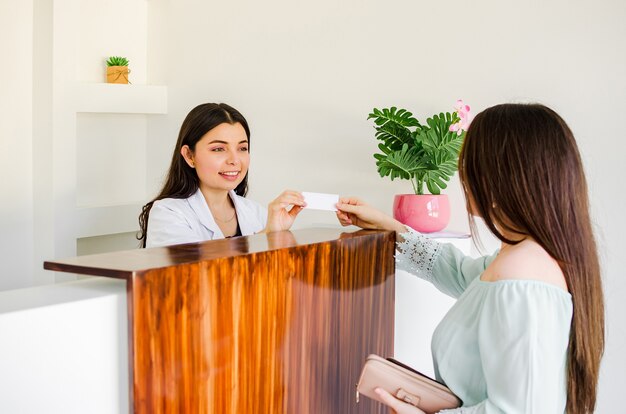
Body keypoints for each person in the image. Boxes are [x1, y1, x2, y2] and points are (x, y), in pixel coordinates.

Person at [336, 103, 604, 413]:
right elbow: (461, 274)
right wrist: (390, 227)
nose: (462, 175)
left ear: (497, 177)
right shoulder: (522, 258)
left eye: (468, 164)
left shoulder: (523, 277)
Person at [138, 103, 305, 248]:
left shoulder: (256, 213)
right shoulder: (168, 214)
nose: (234, 160)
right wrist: (266, 235)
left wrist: (277, 237)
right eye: (218, 149)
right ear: (189, 155)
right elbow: (197, 273)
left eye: (242, 148)